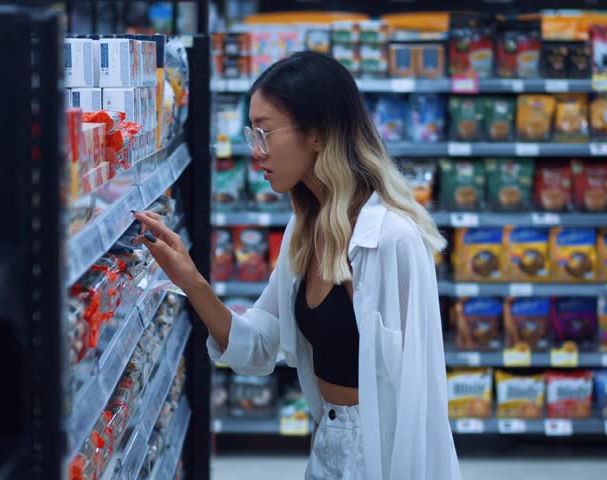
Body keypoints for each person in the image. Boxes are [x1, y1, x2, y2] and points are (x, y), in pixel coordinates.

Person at [133, 51, 461, 479]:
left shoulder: (391, 240)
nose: (256, 152)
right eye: (253, 134)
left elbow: (420, 399)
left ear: (319, 134)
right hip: (327, 443)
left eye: (265, 133)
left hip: (382, 454)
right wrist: (189, 279)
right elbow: (256, 349)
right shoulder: (303, 234)